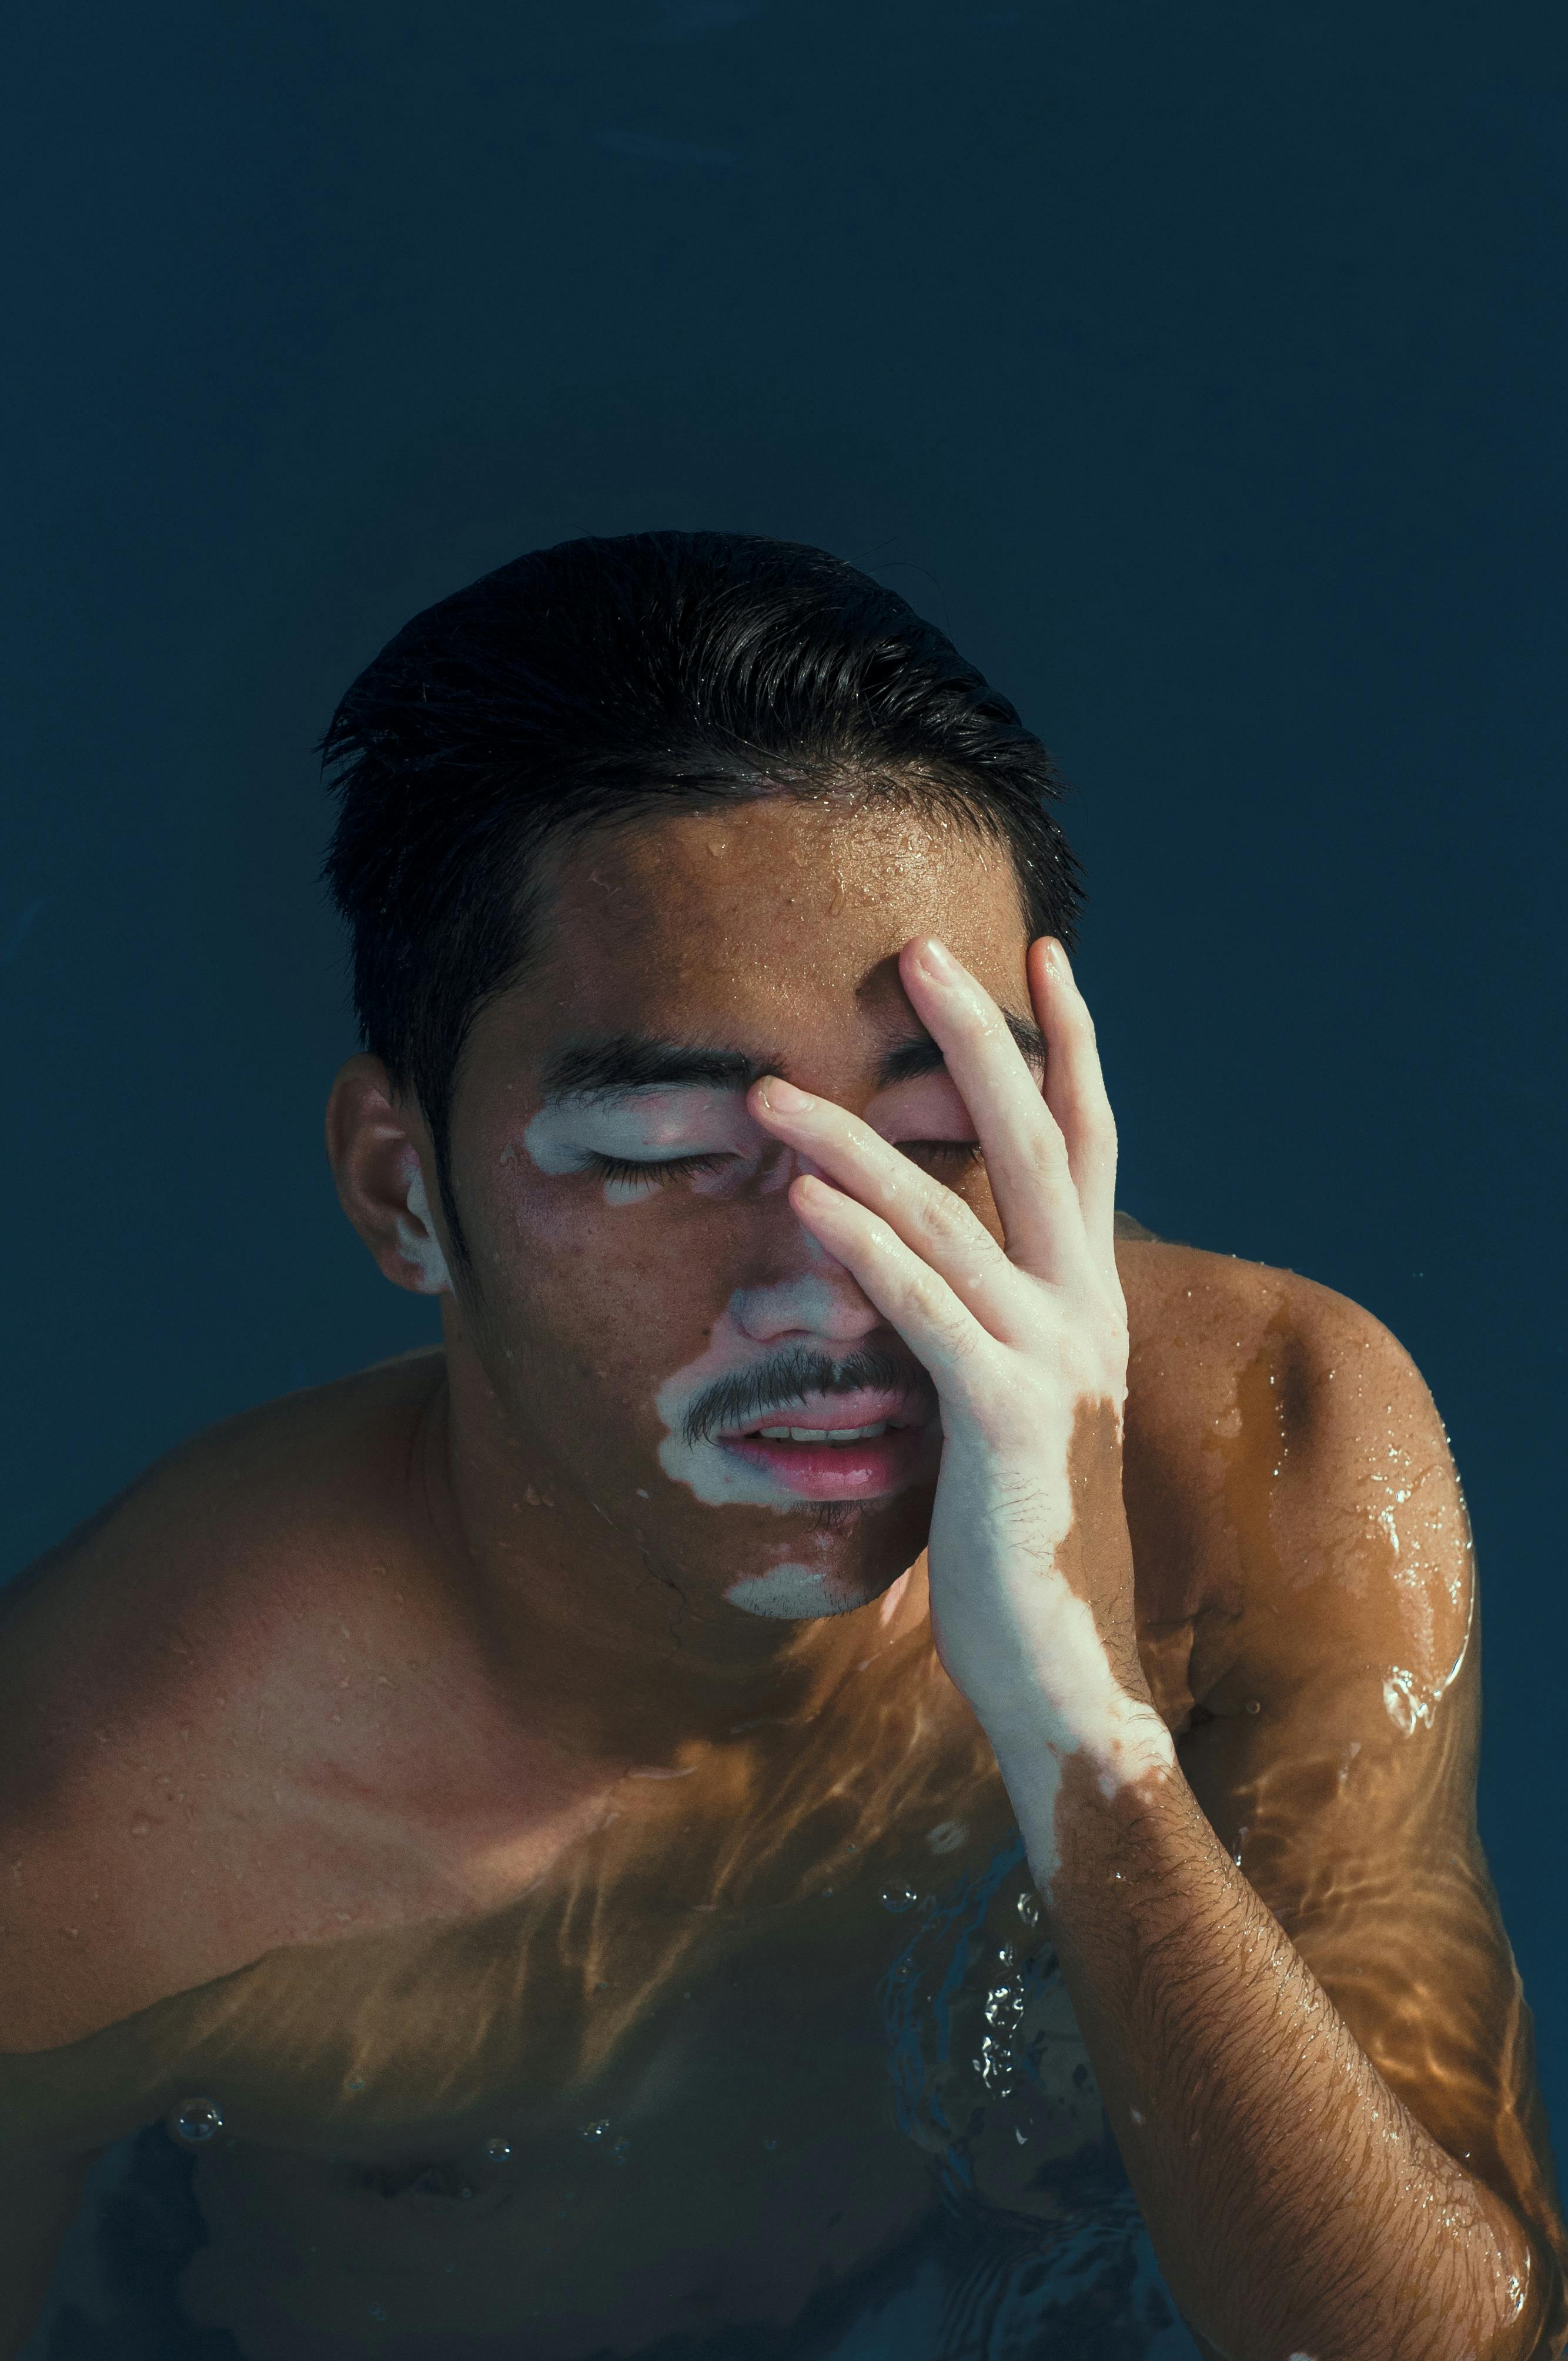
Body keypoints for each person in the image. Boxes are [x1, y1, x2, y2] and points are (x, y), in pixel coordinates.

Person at [2, 531, 1563, 2361]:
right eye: (663, 1155)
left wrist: (1083, 1733)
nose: (837, 1284)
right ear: (401, 1191)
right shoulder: (108, 1834)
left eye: (940, 1133)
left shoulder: (1258, 1462)